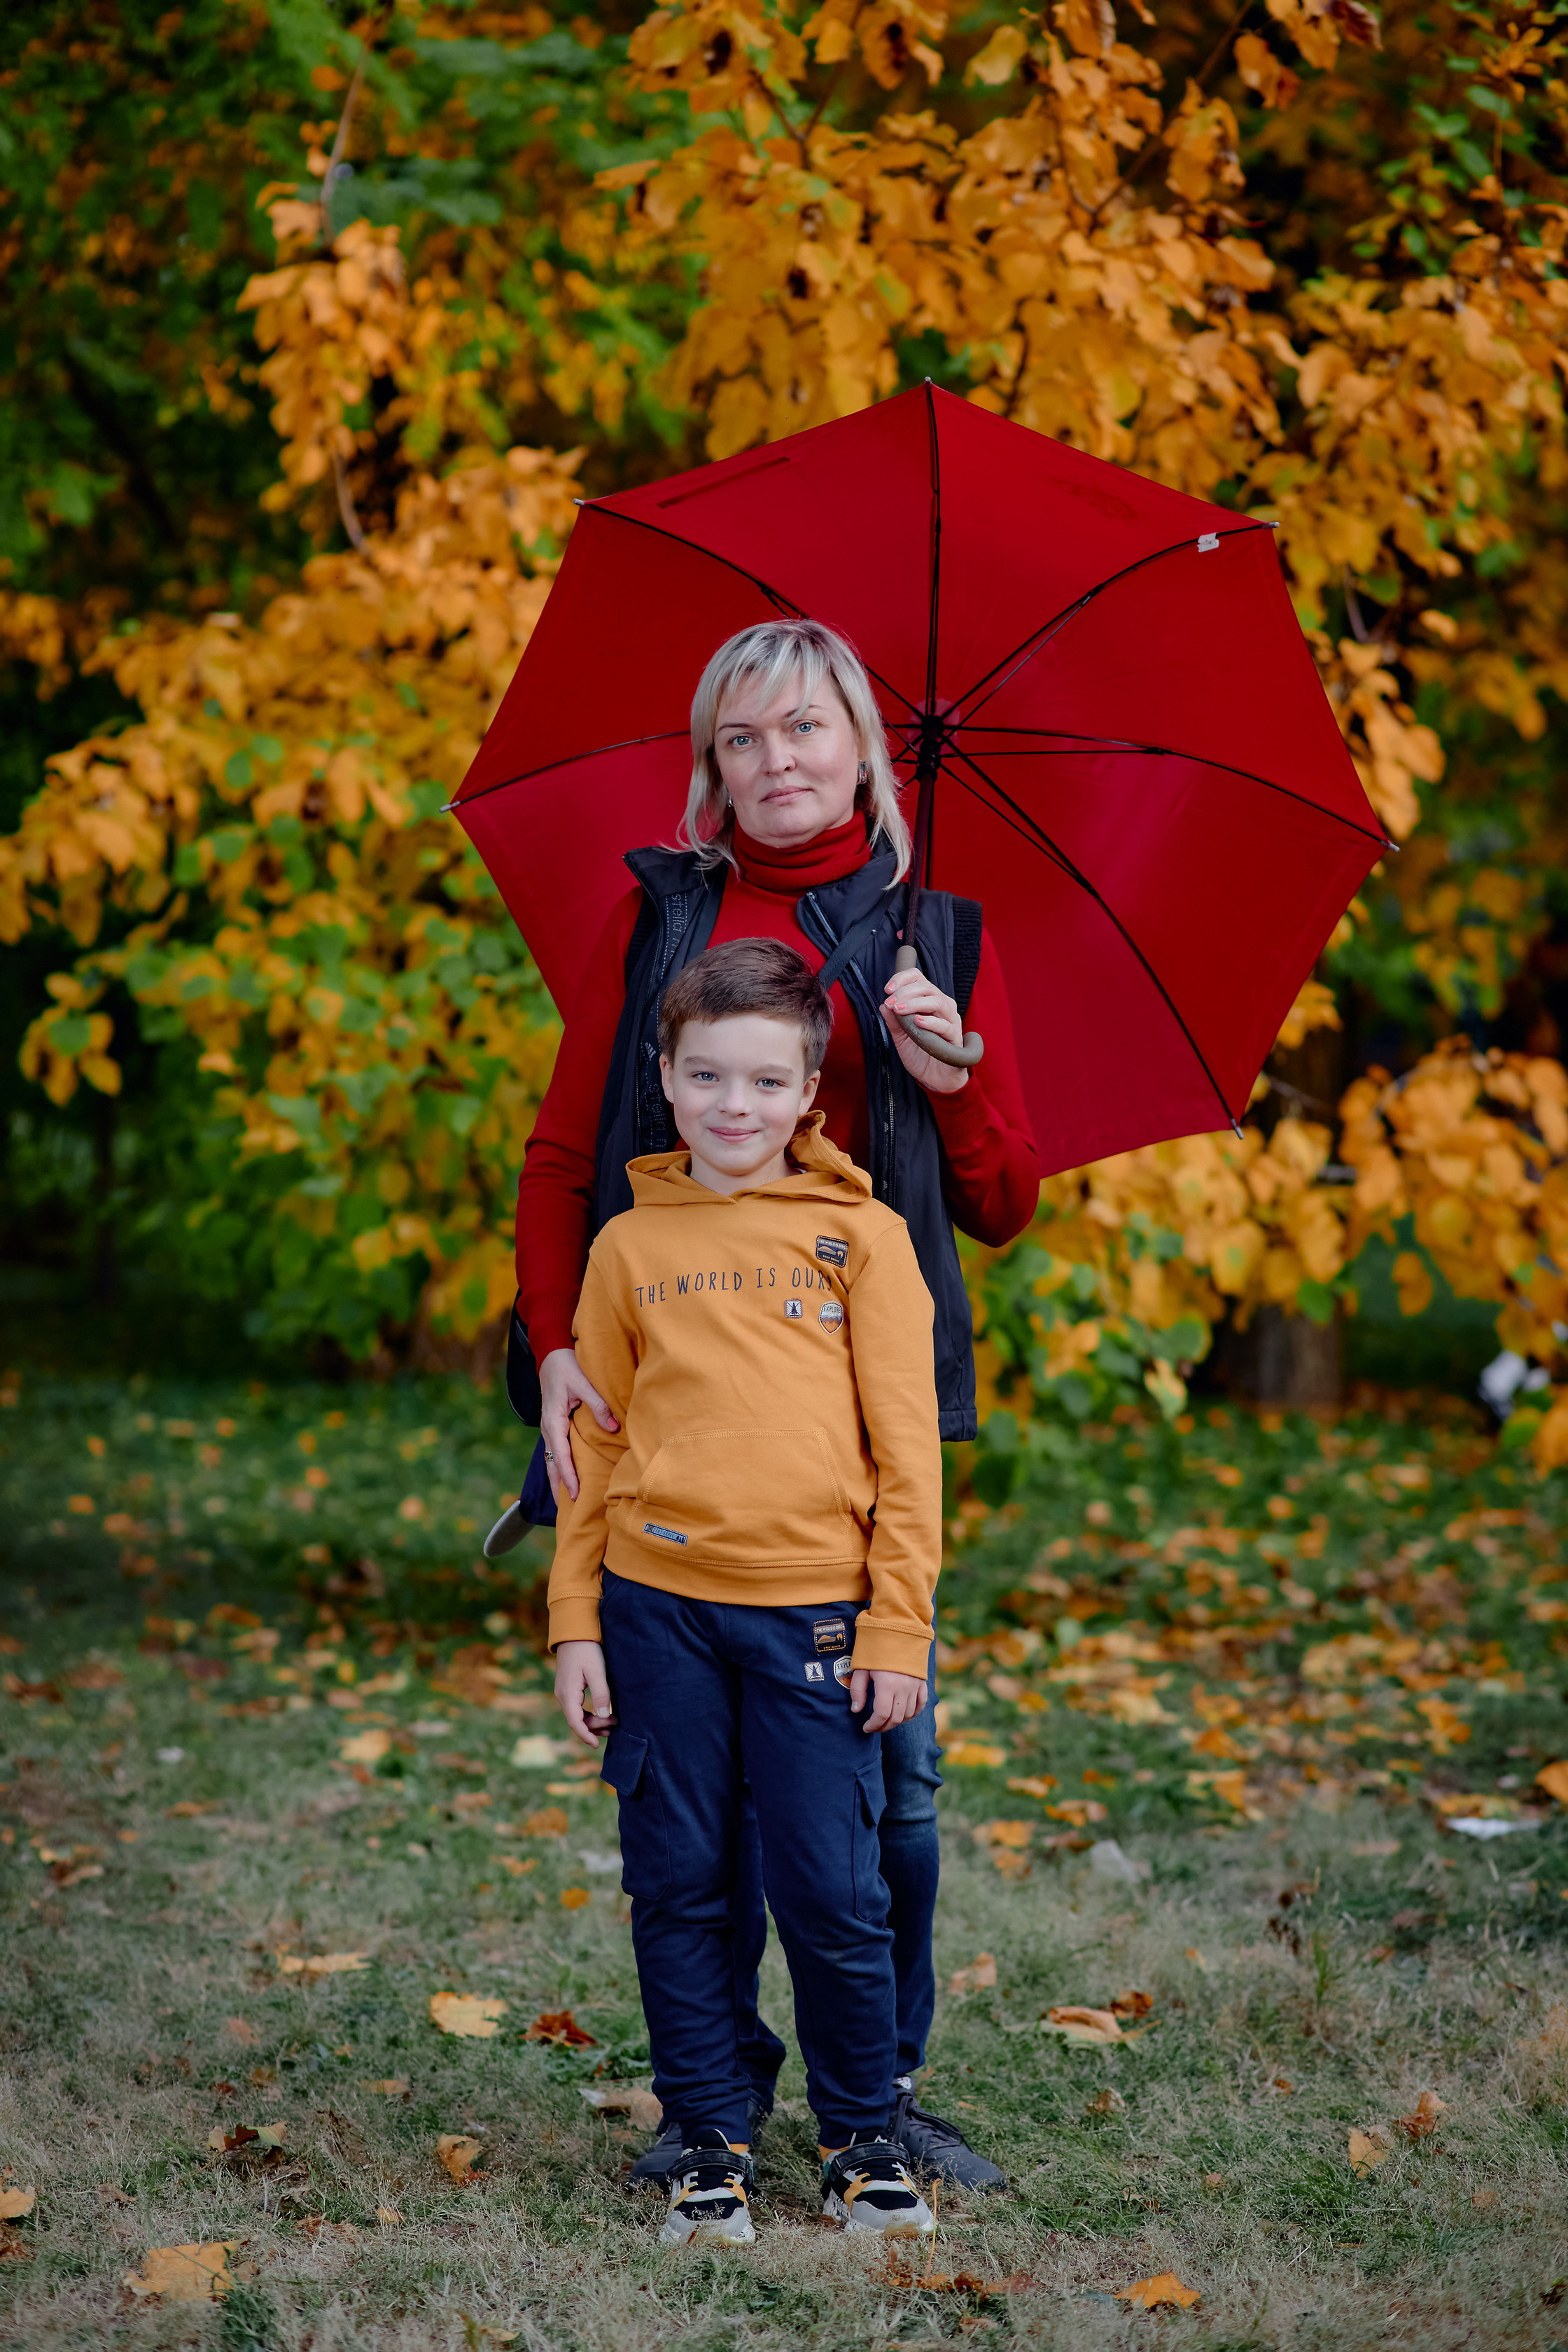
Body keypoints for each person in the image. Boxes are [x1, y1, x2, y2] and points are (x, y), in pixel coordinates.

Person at [513, 617, 1040, 2188]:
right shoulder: (652, 919)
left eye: (803, 729)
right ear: (709, 762)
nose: (775, 762)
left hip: (855, 1427)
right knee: (694, 1800)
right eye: (740, 739)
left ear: (862, 746)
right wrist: (554, 1345)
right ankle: (713, 2102)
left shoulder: (931, 932)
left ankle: (876, 2095)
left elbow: (1003, 1204)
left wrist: (953, 1082)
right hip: (664, 1377)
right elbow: (563, 1155)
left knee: (892, 1790)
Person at [550, 937, 942, 2244]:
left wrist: (897, 1626)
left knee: (833, 1891)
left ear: (809, 1092)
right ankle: (710, 2136)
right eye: (707, 1074)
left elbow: (910, 1451)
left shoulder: (865, 1241)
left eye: (765, 1083)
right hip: (658, 1611)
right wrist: (575, 1621)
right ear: (662, 1077)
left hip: (818, 1618)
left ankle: (861, 2138)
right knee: (679, 1882)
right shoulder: (625, 1248)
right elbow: (591, 1450)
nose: (734, 1106)